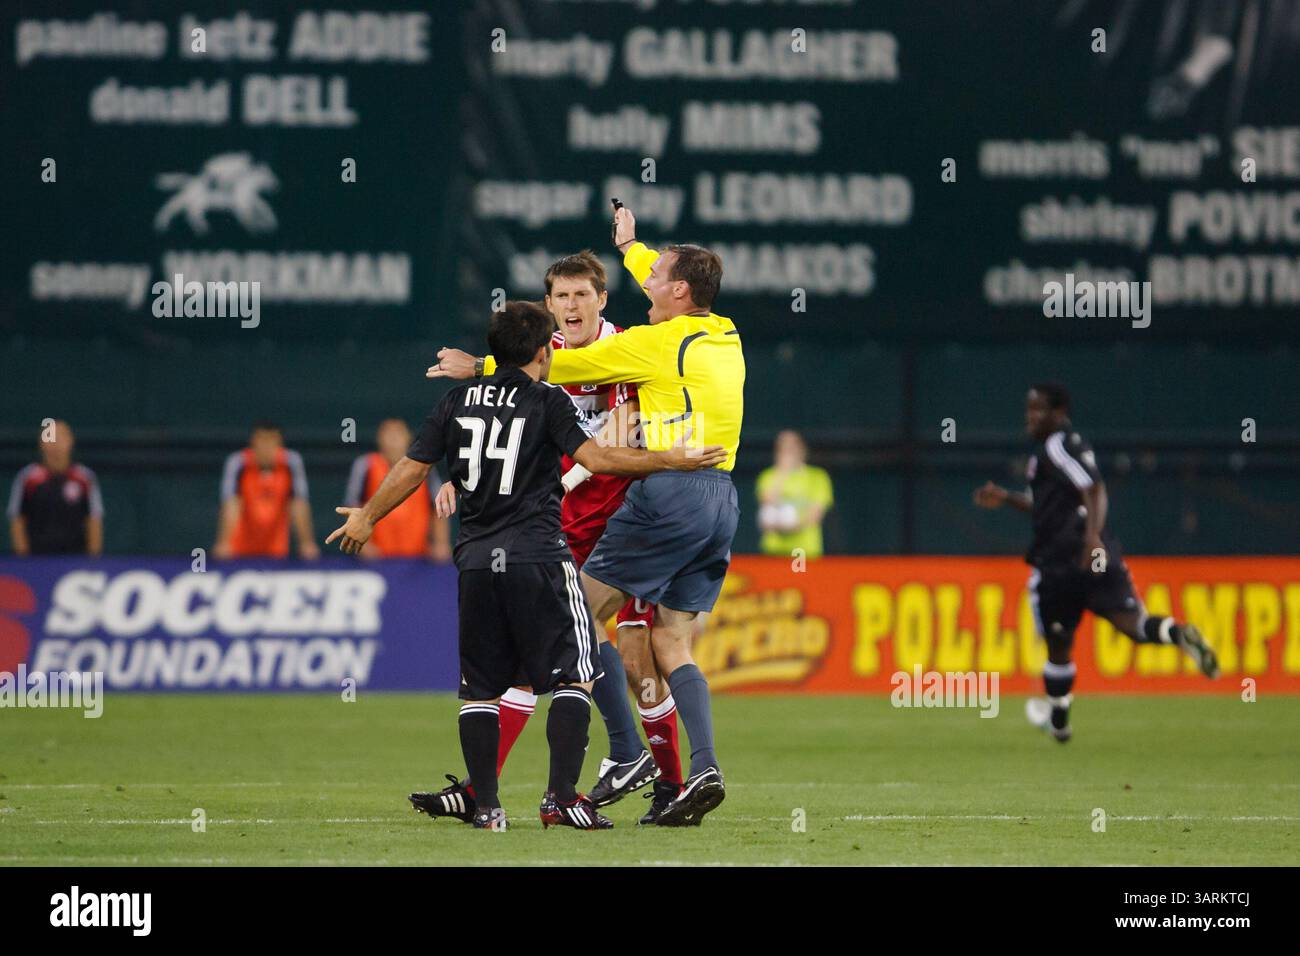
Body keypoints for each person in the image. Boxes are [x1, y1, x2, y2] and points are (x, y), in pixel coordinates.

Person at [327, 301, 726, 829]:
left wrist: (368, 517)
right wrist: (670, 458)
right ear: (544, 352)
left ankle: (486, 806)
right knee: (576, 675)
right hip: (539, 556)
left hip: (473, 563)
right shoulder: (547, 401)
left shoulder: (455, 401)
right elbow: (599, 459)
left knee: (481, 688)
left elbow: (412, 466)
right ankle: (564, 794)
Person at [429, 202, 744, 826]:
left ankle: (584, 769)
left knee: (574, 634)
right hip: (687, 501)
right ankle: (687, 774)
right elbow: (510, 423)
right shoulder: (724, 330)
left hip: (642, 505)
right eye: (559, 295)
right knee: (653, 646)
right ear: (549, 302)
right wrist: (633, 245)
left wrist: (481, 366)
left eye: (582, 294)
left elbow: (554, 381)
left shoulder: (638, 346)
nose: (570, 306)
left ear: (601, 301)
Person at [973, 383, 1220, 742]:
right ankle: (1178, 634)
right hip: (1098, 558)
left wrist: (1090, 538)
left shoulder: (1056, 447)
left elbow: (1095, 489)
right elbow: (1050, 503)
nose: (1030, 417)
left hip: (1061, 562)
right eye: (1028, 409)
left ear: (1058, 413)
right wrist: (1008, 498)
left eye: (1037, 410)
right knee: (1135, 626)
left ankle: (1058, 722)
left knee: (1058, 644)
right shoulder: (1068, 447)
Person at [343, 418, 451, 561]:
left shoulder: (423, 468)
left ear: (408, 437)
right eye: (388, 433)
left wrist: (441, 543)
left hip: (418, 558)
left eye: (398, 433)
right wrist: (364, 545)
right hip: (376, 558)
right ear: (379, 439)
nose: (393, 438)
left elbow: (438, 507)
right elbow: (352, 506)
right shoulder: (365, 465)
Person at [214, 422, 318, 560]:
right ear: (253, 442)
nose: (266, 446)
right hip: (240, 550)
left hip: (276, 550)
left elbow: (298, 504)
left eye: (271, 440)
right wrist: (224, 543)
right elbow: (232, 504)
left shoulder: (291, 462)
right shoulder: (238, 463)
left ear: (279, 444)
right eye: (262, 440)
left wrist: (307, 543)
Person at [7, 419, 103, 556]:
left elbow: (93, 520)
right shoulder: (28, 478)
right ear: (41, 443)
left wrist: (93, 560)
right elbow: (17, 520)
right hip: (37, 560)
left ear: (70, 441)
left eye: (60, 438)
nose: (55, 444)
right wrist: (24, 560)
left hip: (76, 560)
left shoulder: (84, 478)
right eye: (49, 438)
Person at [756, 430, 834, 559]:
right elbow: (767, 504)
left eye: (791, 448)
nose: (787, 453)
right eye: (782, 449)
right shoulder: (768, 476)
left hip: (804, 551)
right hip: (773, 551)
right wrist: (782, 473)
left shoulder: (818, 477)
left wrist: (790, 527)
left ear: (802, 449)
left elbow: (816, 515)